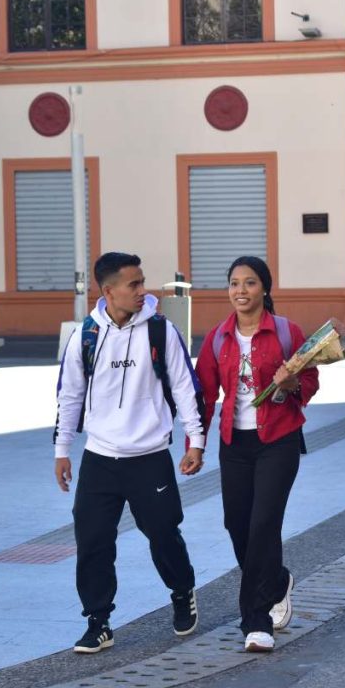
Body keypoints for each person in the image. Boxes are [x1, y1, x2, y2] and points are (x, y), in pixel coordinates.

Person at [54, 252, 206, 654]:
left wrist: (196, 441)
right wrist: (62, 449)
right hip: (100, 458)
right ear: (108, 291)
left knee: (162, 533)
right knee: (93, 541)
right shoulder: (85, 336)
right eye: (133, 284)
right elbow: (69, 395)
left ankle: (181, 590)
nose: (143, 290)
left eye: (143, 282)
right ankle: (98, 621)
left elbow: (185, 388)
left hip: (150, 456)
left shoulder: (160, 331)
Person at [195, 256, 319, 653]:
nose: (240, 291)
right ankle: (278, 580)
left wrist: (292, 380)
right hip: (235, 443)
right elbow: (204, 397)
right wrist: (194, 445)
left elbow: (311, 382)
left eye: (249, 283)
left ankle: (255, 619)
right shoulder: (218, 338)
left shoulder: (286, 331)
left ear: (264, 289)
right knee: (237, 524)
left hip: (278, 440)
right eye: (234, 283)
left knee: (264, 524)